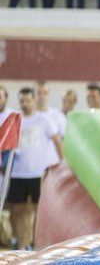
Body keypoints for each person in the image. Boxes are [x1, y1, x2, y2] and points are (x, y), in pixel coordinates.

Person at [8, 88, 63, 251]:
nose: (24, 104)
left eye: (27, 100)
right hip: (18, 172)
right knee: (17, 210)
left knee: (36, 211)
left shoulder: (44, 120)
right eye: (22, 101)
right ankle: (21, 244)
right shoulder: (16, 120)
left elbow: (56, 140)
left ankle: (34, 244)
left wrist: (62, 162)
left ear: (33, 101)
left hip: (37, 173)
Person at [35, 81, 67, 165]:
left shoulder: (58, 116)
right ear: (33, 95)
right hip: (33, 168)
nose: (42, 96)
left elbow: (65, 140)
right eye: (39, 93)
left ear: (48, 94)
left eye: (44, 93)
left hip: (52, 165)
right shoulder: (26, 117)